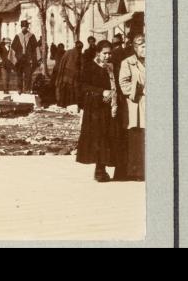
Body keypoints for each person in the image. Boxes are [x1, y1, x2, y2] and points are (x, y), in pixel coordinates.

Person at [75, 40, 124, 182]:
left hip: (110, 108)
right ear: (98, 53)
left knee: (109, 137)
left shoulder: (112, 67)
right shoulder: (90, 66)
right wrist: (101, 92)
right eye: (105, 53)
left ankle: (110, 168)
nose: (108, 56)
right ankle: (99, 170)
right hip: (95, 109)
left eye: (110, 53)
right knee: (99, 138)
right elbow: (83, 86)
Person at [117, 34, 146, 181]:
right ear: (135, 48)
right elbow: (123, 85)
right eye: (142, 46)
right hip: (137, 106)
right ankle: (137, 172)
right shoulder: (127, 63)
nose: (145, 49)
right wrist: (140, 90)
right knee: (137, 138)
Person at [11, 20, 38, 94]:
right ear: (21, 27)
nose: (24, 28)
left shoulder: (32, 36)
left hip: (28, 59)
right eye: (23, 26)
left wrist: (35, 58)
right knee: (19, 74)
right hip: (19, 59)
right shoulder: (17, 36)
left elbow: (35, 48)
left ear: (27, 27)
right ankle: (19, 89)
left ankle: (27, 89)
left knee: (28, 75)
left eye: (25, 26)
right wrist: (14, 59)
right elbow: (13, 48)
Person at [54, 42, 83, 109]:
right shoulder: (71, 53)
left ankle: (67, 104)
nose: (79, 49)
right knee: (68, 90)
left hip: (70, 76)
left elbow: (81, 66)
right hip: (68, 75)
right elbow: (62, 63)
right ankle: (67, 104)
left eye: (80, 47)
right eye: (78, 47)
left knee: (69, 91)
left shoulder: (77, 54)